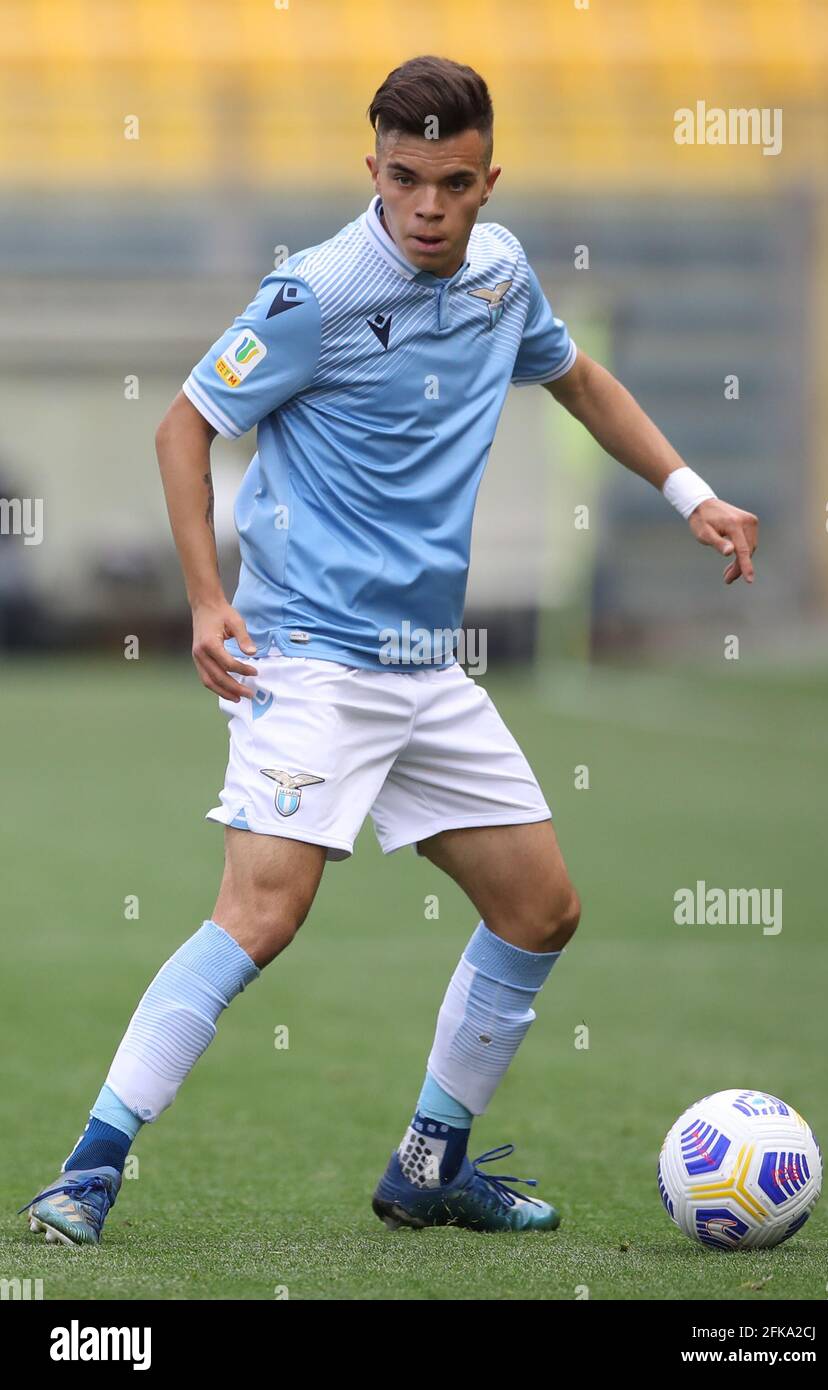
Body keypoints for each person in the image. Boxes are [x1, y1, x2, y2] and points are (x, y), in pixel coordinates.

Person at [20, 55, 758, 1244]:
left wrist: (691, 493)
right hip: (304, 654)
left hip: (422, 667)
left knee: (541, 907)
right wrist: (208, 603)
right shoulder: (313, 294)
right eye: (405, 179)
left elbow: (577, 380)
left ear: (486, 180)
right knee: (263, 912)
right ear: (372, 169)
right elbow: (182, 427)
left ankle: (430, 1160)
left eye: (451, 184)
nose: (426, 206)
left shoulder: (503, 273)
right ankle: (88, 1168)